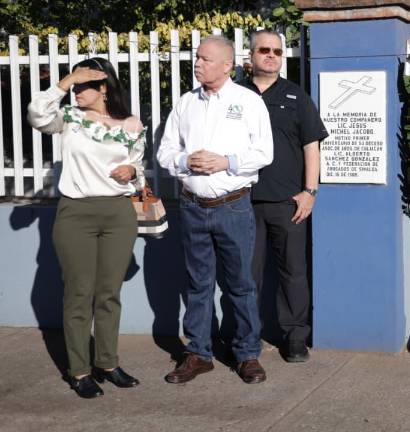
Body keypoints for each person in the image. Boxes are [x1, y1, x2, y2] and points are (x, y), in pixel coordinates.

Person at [157, 35, 273, 384]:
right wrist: (184, 160)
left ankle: (247, 354)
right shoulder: (185, 104)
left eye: (205, 59)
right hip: (192, 207)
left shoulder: (248, 102)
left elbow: (264, 153)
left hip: (233, 206)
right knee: (198, 284)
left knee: (240, 284)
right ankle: (198, 353)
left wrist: (226, 161)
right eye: (197, 57)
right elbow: (164, 153)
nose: (197, 63)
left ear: (227, 65)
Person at [27, 57, 145, 398]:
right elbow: (36, 114)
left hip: (118, 215)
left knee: (109, 294)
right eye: (74, 87)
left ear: (104, 87)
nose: (76, 92)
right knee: (79, 294)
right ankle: (79, 371)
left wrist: (132, 173)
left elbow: (138, 169)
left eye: (83, 86)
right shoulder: (69, 119)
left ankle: (107, 363)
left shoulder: (131, 124)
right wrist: (63, 83)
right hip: (75, 214)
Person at [238, 30, 328, 362]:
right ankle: (247, 338)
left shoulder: (295, 96)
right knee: (246, 275)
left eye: (277, 50)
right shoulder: (234, 95)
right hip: (241, 202)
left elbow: (311, 147)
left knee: (293, 273)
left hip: (288, 202)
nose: (272, 55)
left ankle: (294, 338)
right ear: (250, 56)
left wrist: (310, 192)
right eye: (264, 49)